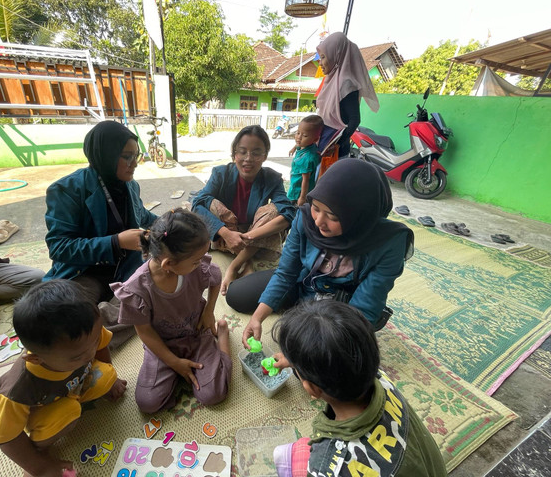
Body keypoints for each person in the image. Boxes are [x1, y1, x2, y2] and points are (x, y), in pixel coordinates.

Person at [232, 158, 413, 341]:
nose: (318, 222)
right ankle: (302, 307)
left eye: (332, 216)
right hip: (306, 282)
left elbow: (364, 309)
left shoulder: (388, 242)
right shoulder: (306, 219)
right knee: (238, 295)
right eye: (316, 208)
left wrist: (306, 353)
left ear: (360, 215)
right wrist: (257, 318)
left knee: (318, 347)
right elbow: (286, 272)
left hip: (343, 303)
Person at [271, 300, 447, 477]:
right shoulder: (380, 378)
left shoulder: (325, 466)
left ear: (312, 390)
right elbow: (342, 357)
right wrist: (298, 361)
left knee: (292, 453)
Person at [0, 279, 127, 477]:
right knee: (67, 413)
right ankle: (40, 448)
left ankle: (82, 391)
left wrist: (111, 378)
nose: (90, 353)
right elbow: (7, 439)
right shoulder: (18, 391)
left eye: (95, 340)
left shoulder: (86, 337)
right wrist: (39, 467)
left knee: (107, 376)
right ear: (36, 358)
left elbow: (101, 346)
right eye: (77, 356)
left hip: (76, 384)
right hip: (46, 406)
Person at [112, 209, 231, 414]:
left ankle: (223, 338)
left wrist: (209, 311)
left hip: (197, 332)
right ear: (168, 264)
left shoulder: (196, 265)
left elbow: (216, 276)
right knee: (147, 403)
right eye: (195, 261)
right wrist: (173, 362)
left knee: (213, 394)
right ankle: (177, 372)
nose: (202, 262)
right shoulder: (137, 289)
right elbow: (145, 332)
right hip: (163, 343)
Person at [44, 120, 157, 303]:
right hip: (88, 271)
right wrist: (115, 242)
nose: (134, 163)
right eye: (127, 156)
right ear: (107, 155)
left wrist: (170, 222)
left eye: (137, 155)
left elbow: (142, 215)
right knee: (68, 310)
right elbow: (59, 247)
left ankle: (120, 312)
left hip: (128, 265)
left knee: (169, 284)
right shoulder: (68, 190)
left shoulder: (130, 186)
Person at [191, 125, 296, 295]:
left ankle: (235, 265)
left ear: (265, 156)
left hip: (252, 235)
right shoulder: (220, 173)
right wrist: (226, 233)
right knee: (209, 202)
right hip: (225, 237)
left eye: (256, 152)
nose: (248, 158)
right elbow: (198, 204)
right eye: (242, 151)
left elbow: (288, 212)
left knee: (273, 211)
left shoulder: (271, 178)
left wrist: (248, 236)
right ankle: (248, 262)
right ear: (234, 155)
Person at [315, 32, 379, 177]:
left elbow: (354, 119)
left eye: (323, 57)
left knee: (326, 189)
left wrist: (337, 144)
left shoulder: (346, 83)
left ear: (336, 55)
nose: (320, 63)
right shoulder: (330, 80)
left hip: (333, 147)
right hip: (323, 141)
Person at [287, 115, 323, 206]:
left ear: (315, 139)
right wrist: (293, 148)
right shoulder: (307, 145)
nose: (299, 137)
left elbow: (305, 180)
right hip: (295, 180)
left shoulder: (307, 159)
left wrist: (302, 198)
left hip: (298, 191)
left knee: (292, 210)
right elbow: (299, 144)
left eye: (304, 135)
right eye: (298, 133)